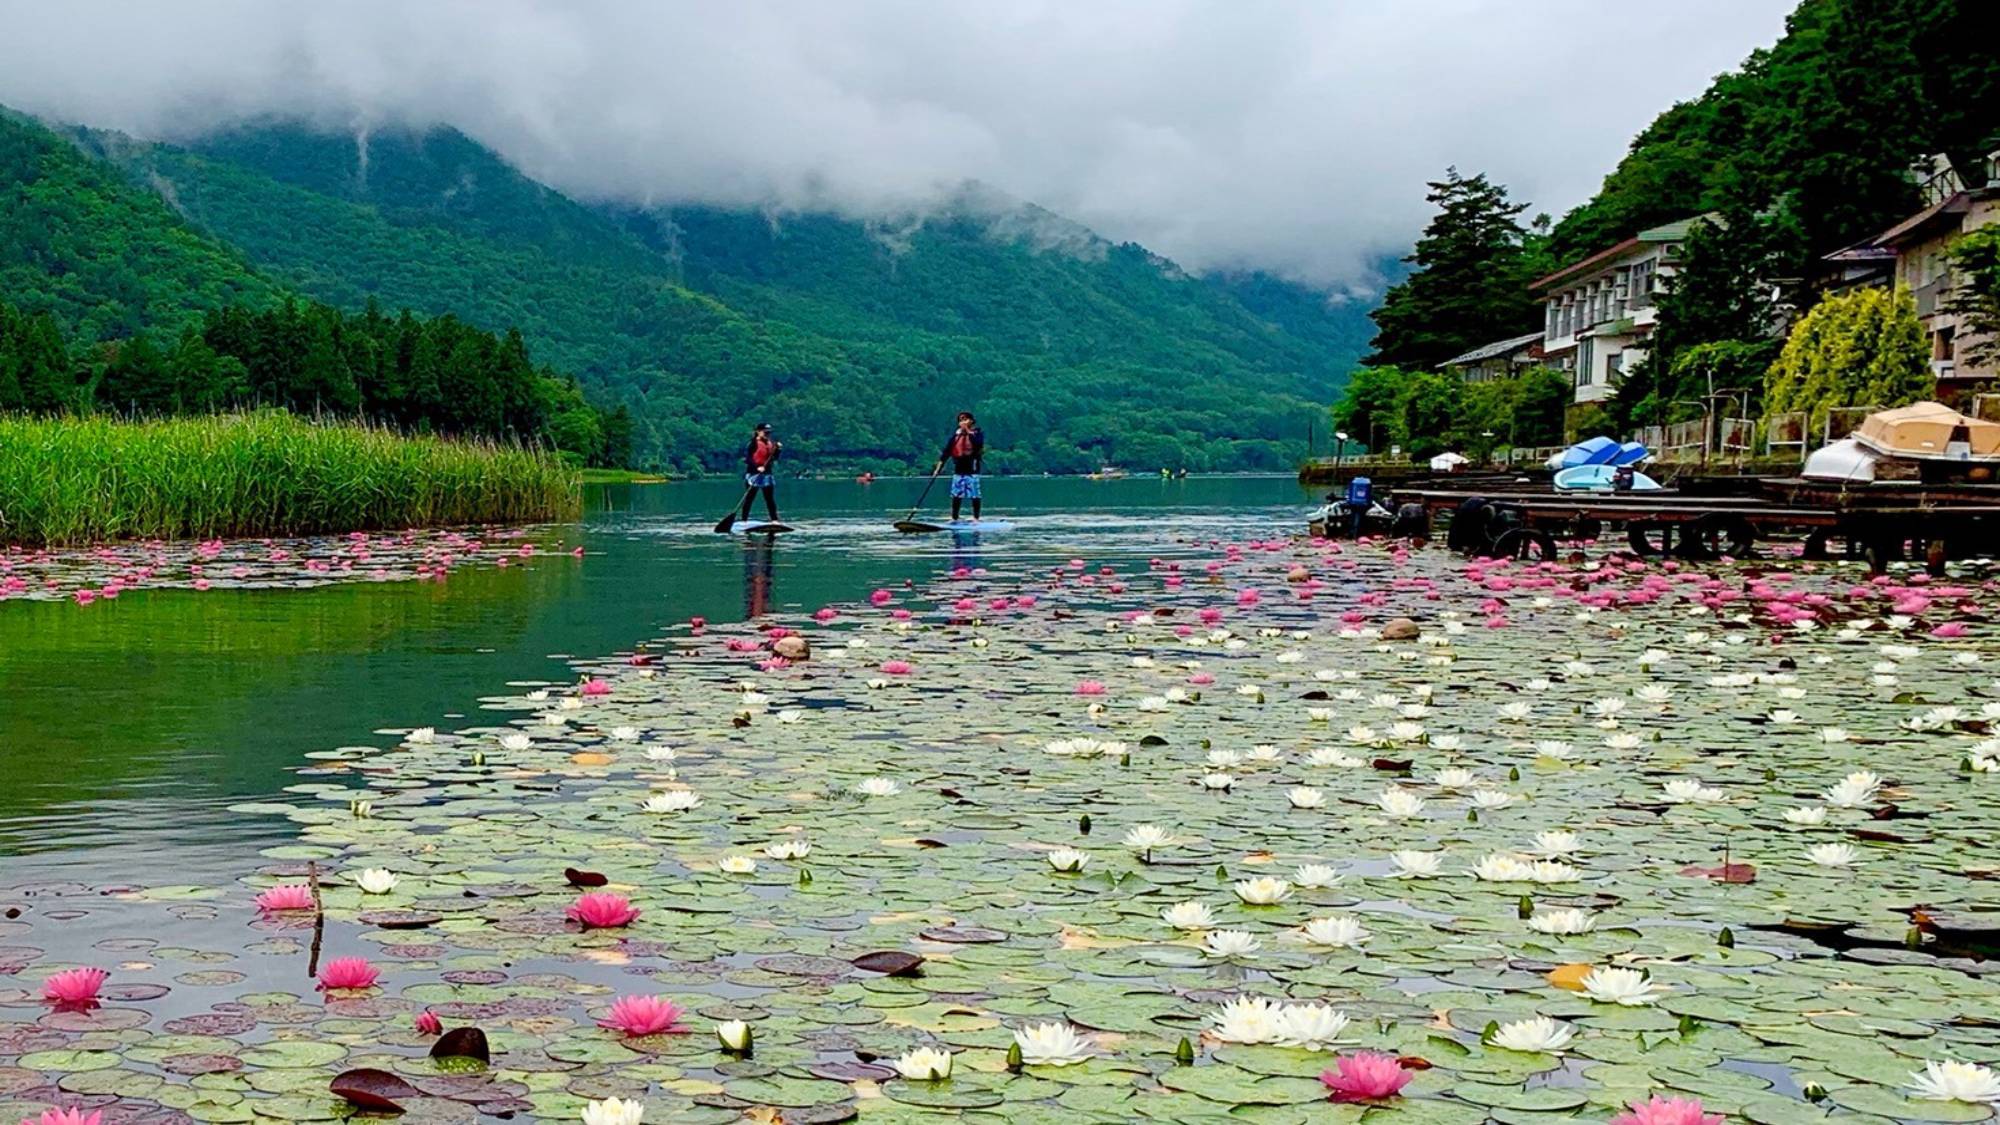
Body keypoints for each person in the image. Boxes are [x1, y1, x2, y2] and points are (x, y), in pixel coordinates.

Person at [936, 412, 986, 522]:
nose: (963, 422)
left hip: (972, 469)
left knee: (974, 494)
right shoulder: (956, 437)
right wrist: (939, 467)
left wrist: (968, 431)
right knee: (956, 494)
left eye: (965, 419)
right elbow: (947, 452)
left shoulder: (977, 434)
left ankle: (976, 518)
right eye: (960, 420)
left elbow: (978, 444)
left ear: (971, 421)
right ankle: (955, 517)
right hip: (958, 468)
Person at [740, 422, 782, 523]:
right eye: (765, 432)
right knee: (749, 498)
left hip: (767, 474)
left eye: (768, 433)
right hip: (753, 474)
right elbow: (748, 459)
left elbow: (774, 458)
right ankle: (744, 520)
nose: (767, 435)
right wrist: (757, 467)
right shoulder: (753, 443)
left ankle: (774, 520)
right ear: (758, 432)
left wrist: (778, 450)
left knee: (769, 499)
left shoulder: (770, 443)